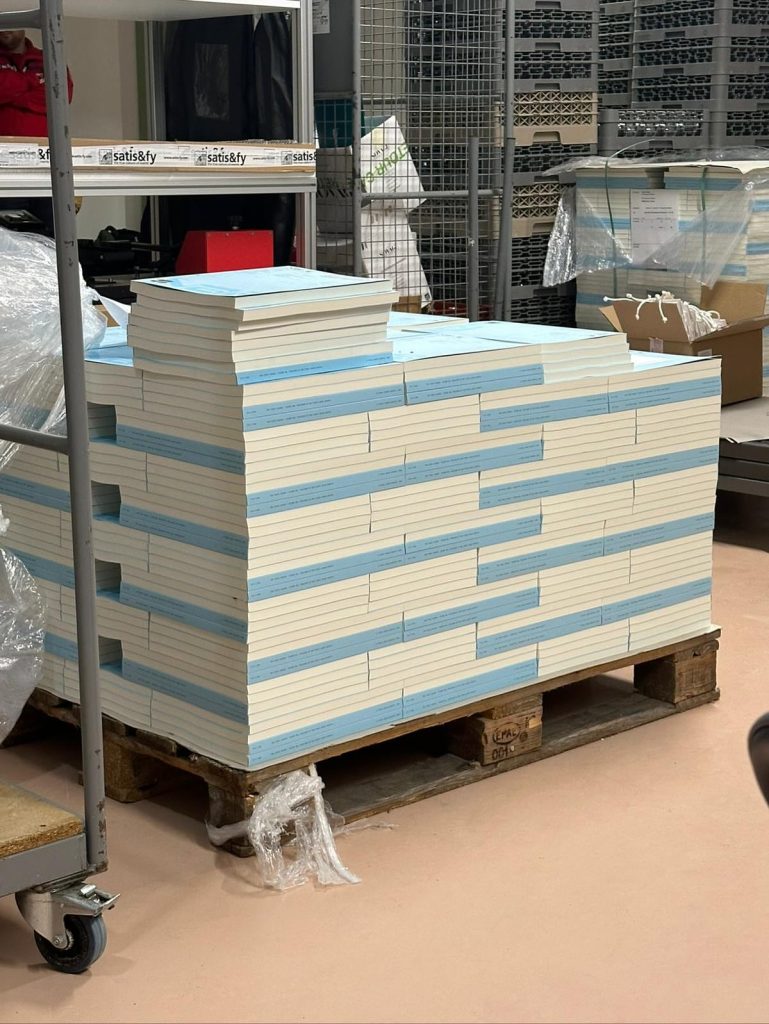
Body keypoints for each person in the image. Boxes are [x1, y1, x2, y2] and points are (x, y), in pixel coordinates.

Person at [0, 29, 73, 234]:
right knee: (9, 244)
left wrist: (11, 93)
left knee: (54, 241)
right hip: (5, 173)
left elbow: (60, 98)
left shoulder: (48, 58)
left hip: (47, 170)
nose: (4, 27)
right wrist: (33, 83)